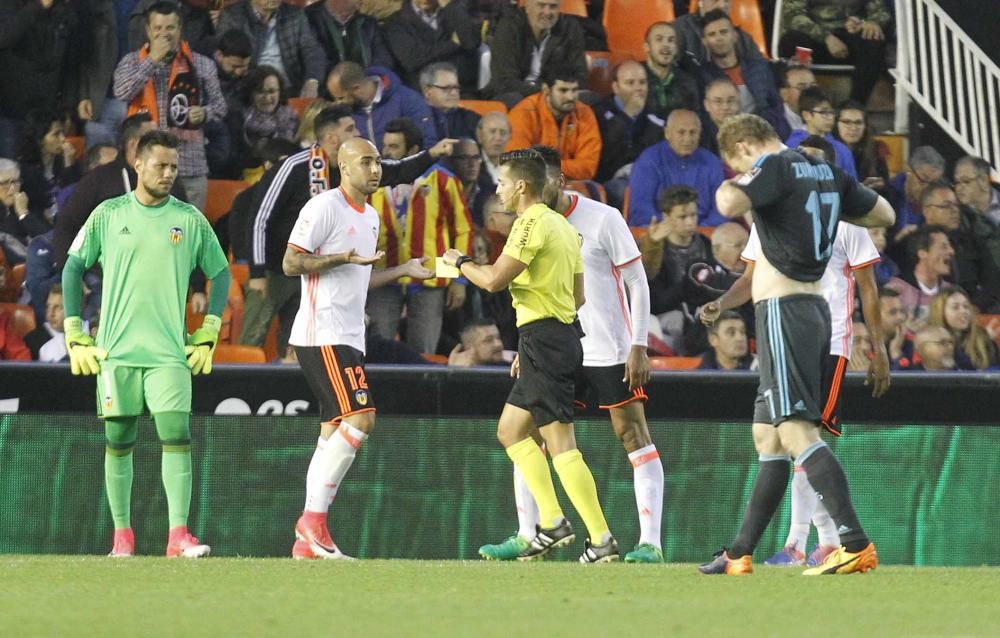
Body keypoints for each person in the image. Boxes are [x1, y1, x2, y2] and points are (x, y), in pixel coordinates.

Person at [697, 113, 894, 576]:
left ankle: (852, 541)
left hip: (786, 312)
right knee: (767, 436)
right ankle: (739, 552)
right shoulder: (826, 173)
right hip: (806, 312)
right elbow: (883, 213)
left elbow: (727, 201)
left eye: (734, 160)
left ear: (743, 146)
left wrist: (747, 176)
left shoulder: (778, 165)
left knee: (797, 431)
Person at [476, 144, 661, 563]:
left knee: (631, 434)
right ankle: (532, 532)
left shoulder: (602, 218)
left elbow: (637, 281)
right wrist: (532, 343)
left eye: (556, 178)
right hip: (561, 340)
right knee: (525, 430)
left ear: (559, 179)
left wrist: (639, 344)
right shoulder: (534, 224)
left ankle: (647, 542)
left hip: (608, 345)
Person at [442, 149, 620, 563]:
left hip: (545, 339)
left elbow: (492, 281)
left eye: (503, 183)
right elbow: (578, 296)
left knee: (560, 443)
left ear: (521, 185)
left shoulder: (531, 223)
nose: (498, 190)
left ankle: (601, 538)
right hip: (554, 337)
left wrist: (460, 261)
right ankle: (554, 522)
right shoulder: (563, 227)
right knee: (510, 430)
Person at [61, 129, 232, 558]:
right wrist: (74, 331)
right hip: (117, 350)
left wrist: (209, 329)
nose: (169, 173)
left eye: (174, 166)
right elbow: (72, 267)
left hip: (170, 352)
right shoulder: (108, 213)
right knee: (119, 440)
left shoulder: (190, 219)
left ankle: (178, 536)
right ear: (138, 165)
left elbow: (222, 272)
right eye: (161, 165)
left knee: (176, 434)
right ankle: (123, 537)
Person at [282, 137, 435, 560]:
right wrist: (340, 258)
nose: (375, 169)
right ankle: (313, 521)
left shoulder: (369, 216)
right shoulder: (323, 207)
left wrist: (404, 270)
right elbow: (291, 263)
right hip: (323, 330)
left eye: (378, 162)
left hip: (349, 334)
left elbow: (360, 276)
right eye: (366, 161)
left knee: (332, 431)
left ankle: (305, 544)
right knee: (361, 418)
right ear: (343, 167)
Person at [243, 106, 454, 352]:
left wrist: (432, 155)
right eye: (350, 129)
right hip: (276, 270)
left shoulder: (357, 169)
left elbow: (397, 171)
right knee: (252, 336)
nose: (358, 132)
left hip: (319, 274)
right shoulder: (295, 166)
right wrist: (257, 273)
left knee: (299, 343)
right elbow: (260, 218)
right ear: (332, 138)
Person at [113, 1, 228, 211]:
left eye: (170, 28)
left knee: (190, 236)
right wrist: (152, 60)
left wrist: (204, 113)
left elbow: (220, 106)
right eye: (158, 28)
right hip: (149, 167)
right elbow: (121, 91)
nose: (164, 34)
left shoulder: (201, 64)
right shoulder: (131, 62)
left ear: (180, 29)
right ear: (148, 30)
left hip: (190, 165)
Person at [698, 10, 788, 140]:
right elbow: (703, 117)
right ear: (704, 41)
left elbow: (776, 106)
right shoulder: (701, 75)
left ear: (735, 36)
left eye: (724, 32)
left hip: (762, 134)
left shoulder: (759, 67)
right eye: (712, 34)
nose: (719, 38)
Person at [778, 0, 890, 104]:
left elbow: (881, 11)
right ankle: (803, 99)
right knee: (792, 40)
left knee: (874, 40)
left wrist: (870, 22)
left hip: (849, 39)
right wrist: (826, 37)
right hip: (814, 40)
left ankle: (855, 105)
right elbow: (792, 15)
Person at [628, 109, 725, 227]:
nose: (688, 139)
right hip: (660, 232)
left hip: (704, 233)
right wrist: (674, 229)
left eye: (693, 132)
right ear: (667, 133)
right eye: (681, 132)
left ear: (700, 134)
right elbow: (641, 209)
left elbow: (722, 209)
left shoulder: (712, 162)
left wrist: (700, 231)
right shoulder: (649, 161)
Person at [485, 0, 588, 108]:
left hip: (557, 92)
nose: (547, 12)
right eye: (541, 5)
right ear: (528, 7)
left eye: (553, 7)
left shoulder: (570, 28)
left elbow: (580, 75)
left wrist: (558, 90)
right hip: (516, 93)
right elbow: (503, 81)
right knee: (515, 100)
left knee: (589, 99)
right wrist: (543, 92)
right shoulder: (509, 26)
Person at [507, 66, 601, 181]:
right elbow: (520, 163)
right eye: (563, 90)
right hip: (532, 183)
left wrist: (546, 166)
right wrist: (564, 168)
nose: (570, 97)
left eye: (574, 90)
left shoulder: (584, 113)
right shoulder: (523, 113)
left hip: (572, 182)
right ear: (546, 89)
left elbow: (588, 167)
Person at [217, 0, 326, 98]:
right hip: (249, 89)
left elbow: (313, 51)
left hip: (289, 90)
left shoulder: (295, 14)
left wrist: (312, 81)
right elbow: (225, 59)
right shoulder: (232, 16)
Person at [591, 60, 664, 203]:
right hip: (609, 180)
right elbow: (603, 157)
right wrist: (627, 116)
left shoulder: (656, 114)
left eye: (642, 83)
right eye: (630, 83)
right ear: (616, 87)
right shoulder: (598, 113)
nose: (638, 88)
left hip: (646, 176)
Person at [326, 61, 438, 150]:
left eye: (341, 97)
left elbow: (427, 142)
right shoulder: (344, 113)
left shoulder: (407, 99)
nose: (337, 102)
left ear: (356, 88)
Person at [383, 0, 481, 91]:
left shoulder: (454, 12)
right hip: (421, 91)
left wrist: (450, 6)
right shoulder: (397, 22)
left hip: (460, 88)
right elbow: (412, 59)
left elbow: (471, 42)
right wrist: (453, 44)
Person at [224, 65, 300, 178]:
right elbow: (231, 160)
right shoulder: (236, 120)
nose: (267, 97)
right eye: (260, 92)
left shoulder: (292, 120)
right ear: (250, 93)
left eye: (272, 91)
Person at [785, 88, 858, 178]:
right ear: (806, 115)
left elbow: (852, 185)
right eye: (824, 112)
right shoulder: (792, 146)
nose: (830, 117)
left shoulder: (842, 149)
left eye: (832, 112)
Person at [305, 0, 393, 73]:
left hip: (366, 86)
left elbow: (383, 59)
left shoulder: (368, 23)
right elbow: (315, 61)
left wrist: (372, 79)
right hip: (329, 88)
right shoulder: (309, 19)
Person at [927, 285, 1000, 371]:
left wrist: (986, 341)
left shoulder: (981, 337)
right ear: (940, 311)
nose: (963, 311)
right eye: (955, 307)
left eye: (966, 306)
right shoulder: (929, 340)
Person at [674, 0, 764, 66]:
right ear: (700, 2)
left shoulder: (743, 38)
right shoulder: (678, 30)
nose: (722, 5)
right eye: (715, 0)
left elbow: (761, 70)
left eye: (727, 1)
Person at [642, 22, 699, 119]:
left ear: (676, 48)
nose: (666, 45)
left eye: (671, 40)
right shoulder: (635, 77)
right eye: (659, 39)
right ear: (646, 47)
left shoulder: (687, 82)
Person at [834, 100, 889, 192]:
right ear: (836, 124)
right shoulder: (828, 149)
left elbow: (885, 186)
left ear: (865, 126)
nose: (853, 128)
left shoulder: (875, 150)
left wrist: (882, 185)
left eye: (858, 123)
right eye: (846, 122)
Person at [420, 62, 481, 142]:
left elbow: (498, 153)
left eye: (456, 87)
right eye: (446, 88)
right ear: (427, 92)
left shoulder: (472, 119)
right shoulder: (414, 121)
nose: (454, 93)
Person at [23, 283, 68, 362]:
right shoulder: (33, 340)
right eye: (48, 307)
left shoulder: (92, 333)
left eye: (57, 308)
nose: (51, 313)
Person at [699, 77, 741, 155]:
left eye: (730, 101)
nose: (725, 107)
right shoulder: (698, 135)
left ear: (738, 103)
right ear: (706, 105)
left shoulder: (751, 131)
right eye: (718, 101)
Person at [954, 155, 1000, 226]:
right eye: (956, 182)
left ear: (983, 180)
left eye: (966, 181)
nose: (959, 188)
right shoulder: (956, 213)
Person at [778, 64, 816, 134]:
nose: (809, 92)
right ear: (784, 94)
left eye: (813, 86)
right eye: (801, 87)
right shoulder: (770, 122)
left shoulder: (827, 117)